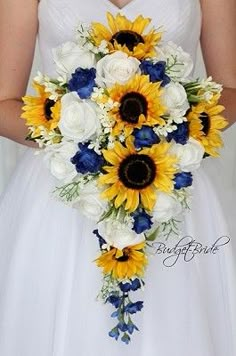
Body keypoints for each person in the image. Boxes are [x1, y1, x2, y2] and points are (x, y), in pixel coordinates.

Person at [0, 0, 235, 355]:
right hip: (62, 192)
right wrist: (84, 135)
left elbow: (230, 90)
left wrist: (172, 130)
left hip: (172, 186)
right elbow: (4, 101)